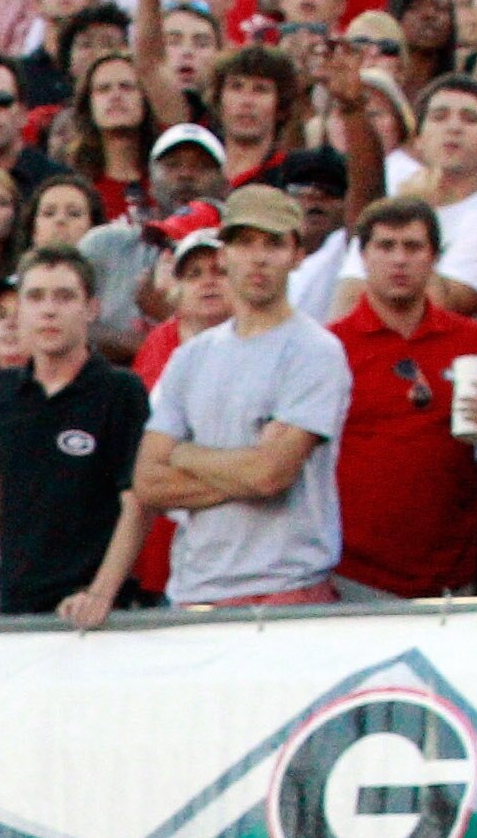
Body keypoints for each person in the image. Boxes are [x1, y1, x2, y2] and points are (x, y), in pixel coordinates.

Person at [133, 185, 350, 606]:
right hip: (194, 591)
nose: (259, 257)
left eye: (274, 243)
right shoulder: (190, 357)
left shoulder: (315, 350)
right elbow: (147, 482)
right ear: (225, 252)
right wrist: (247, 470)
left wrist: (184, 454)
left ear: (297, 254)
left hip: (286, 588)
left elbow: (270, 475)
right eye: (245, 241)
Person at [0, 249, 147, 628]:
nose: (49, 310)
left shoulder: (120, 391)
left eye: (64, 296)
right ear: (19, 309)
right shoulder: (3, 391)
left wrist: (101, 594)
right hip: (16, 605)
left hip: (98, 615)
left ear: (91, 308)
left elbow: (137, 502)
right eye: (36, 297)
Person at [328, 196, 477, 598]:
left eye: (413, 247)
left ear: (434, 257)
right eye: (385, 246)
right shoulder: (331, 348)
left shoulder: (472, 341)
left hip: (455, 570)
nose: (399, 260)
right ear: (362, 256)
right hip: (355, 572)